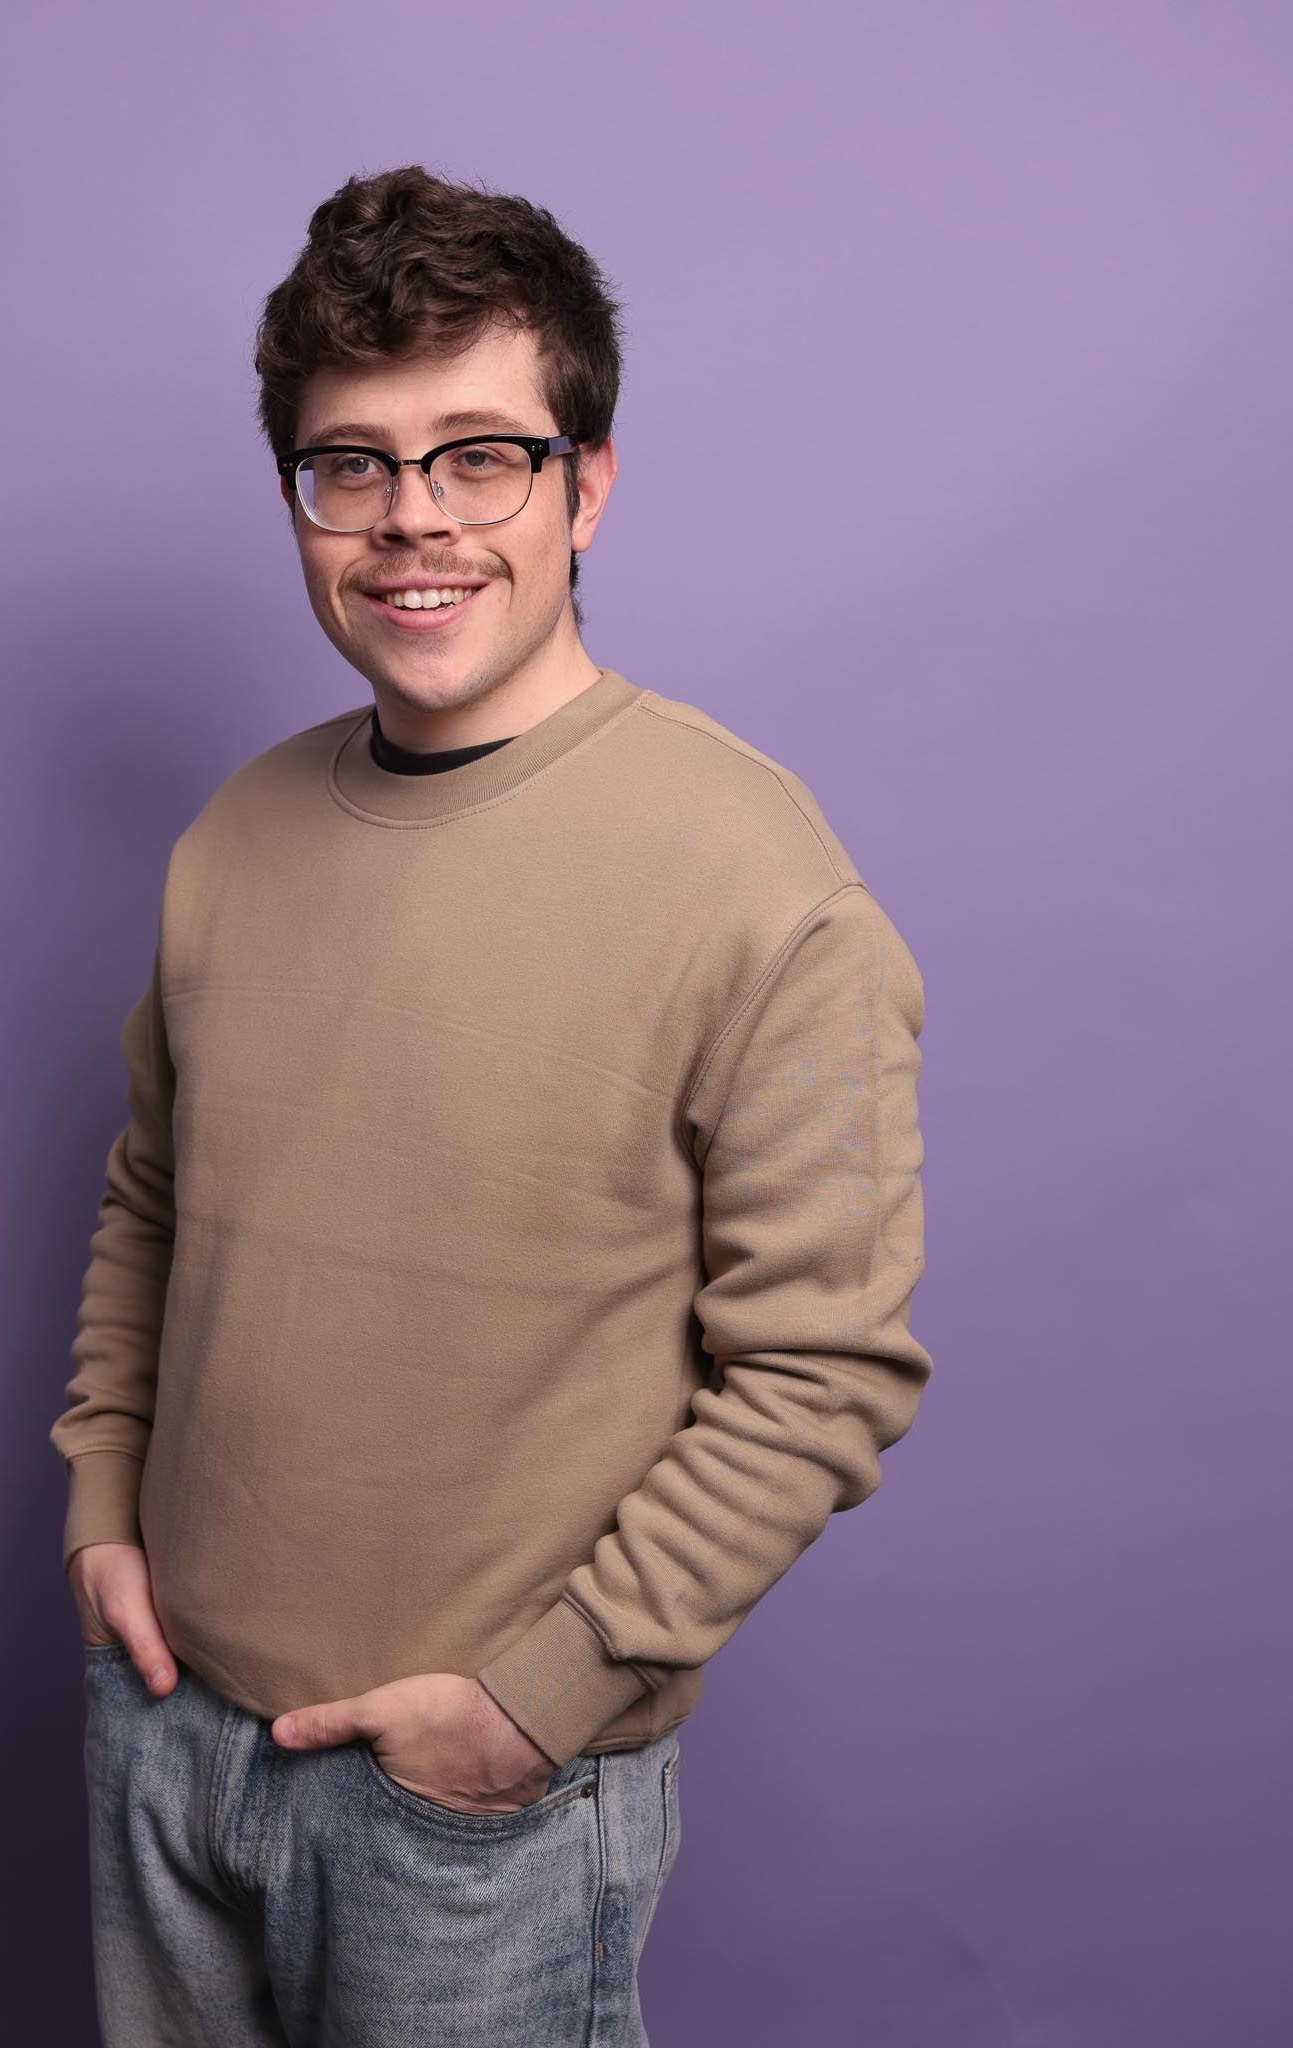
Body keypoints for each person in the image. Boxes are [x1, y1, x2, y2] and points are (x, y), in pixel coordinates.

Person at [48, 163, 933, 2047]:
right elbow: (155, 1201)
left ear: (585, 484)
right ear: (298, 498)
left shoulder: (755, 879)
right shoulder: (235, 834)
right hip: (166, 1728)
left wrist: (532, 1704)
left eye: (480, 457)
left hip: (469, 1813)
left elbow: (821, 1373)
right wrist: (101, 1506)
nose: (411, 520)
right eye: (349, 465)